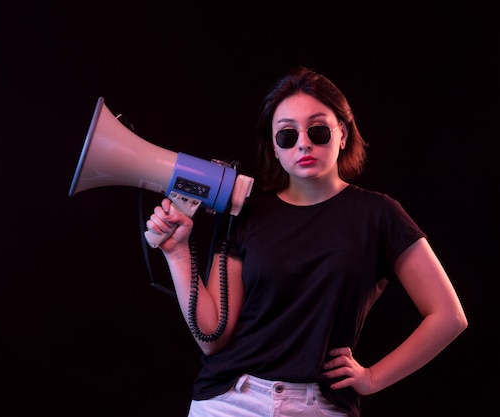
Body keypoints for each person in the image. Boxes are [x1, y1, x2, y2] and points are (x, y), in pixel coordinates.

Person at [145, 65, 468, 417]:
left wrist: (372, 378)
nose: (303, 143)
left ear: (342, 134)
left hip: (319, 406)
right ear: (275, 146)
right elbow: (212, 338)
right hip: (230, 400)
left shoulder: (380, 215)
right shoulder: (245, 215)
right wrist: (177, 253)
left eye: (318, 130)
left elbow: (449, 316)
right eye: (287, 135)